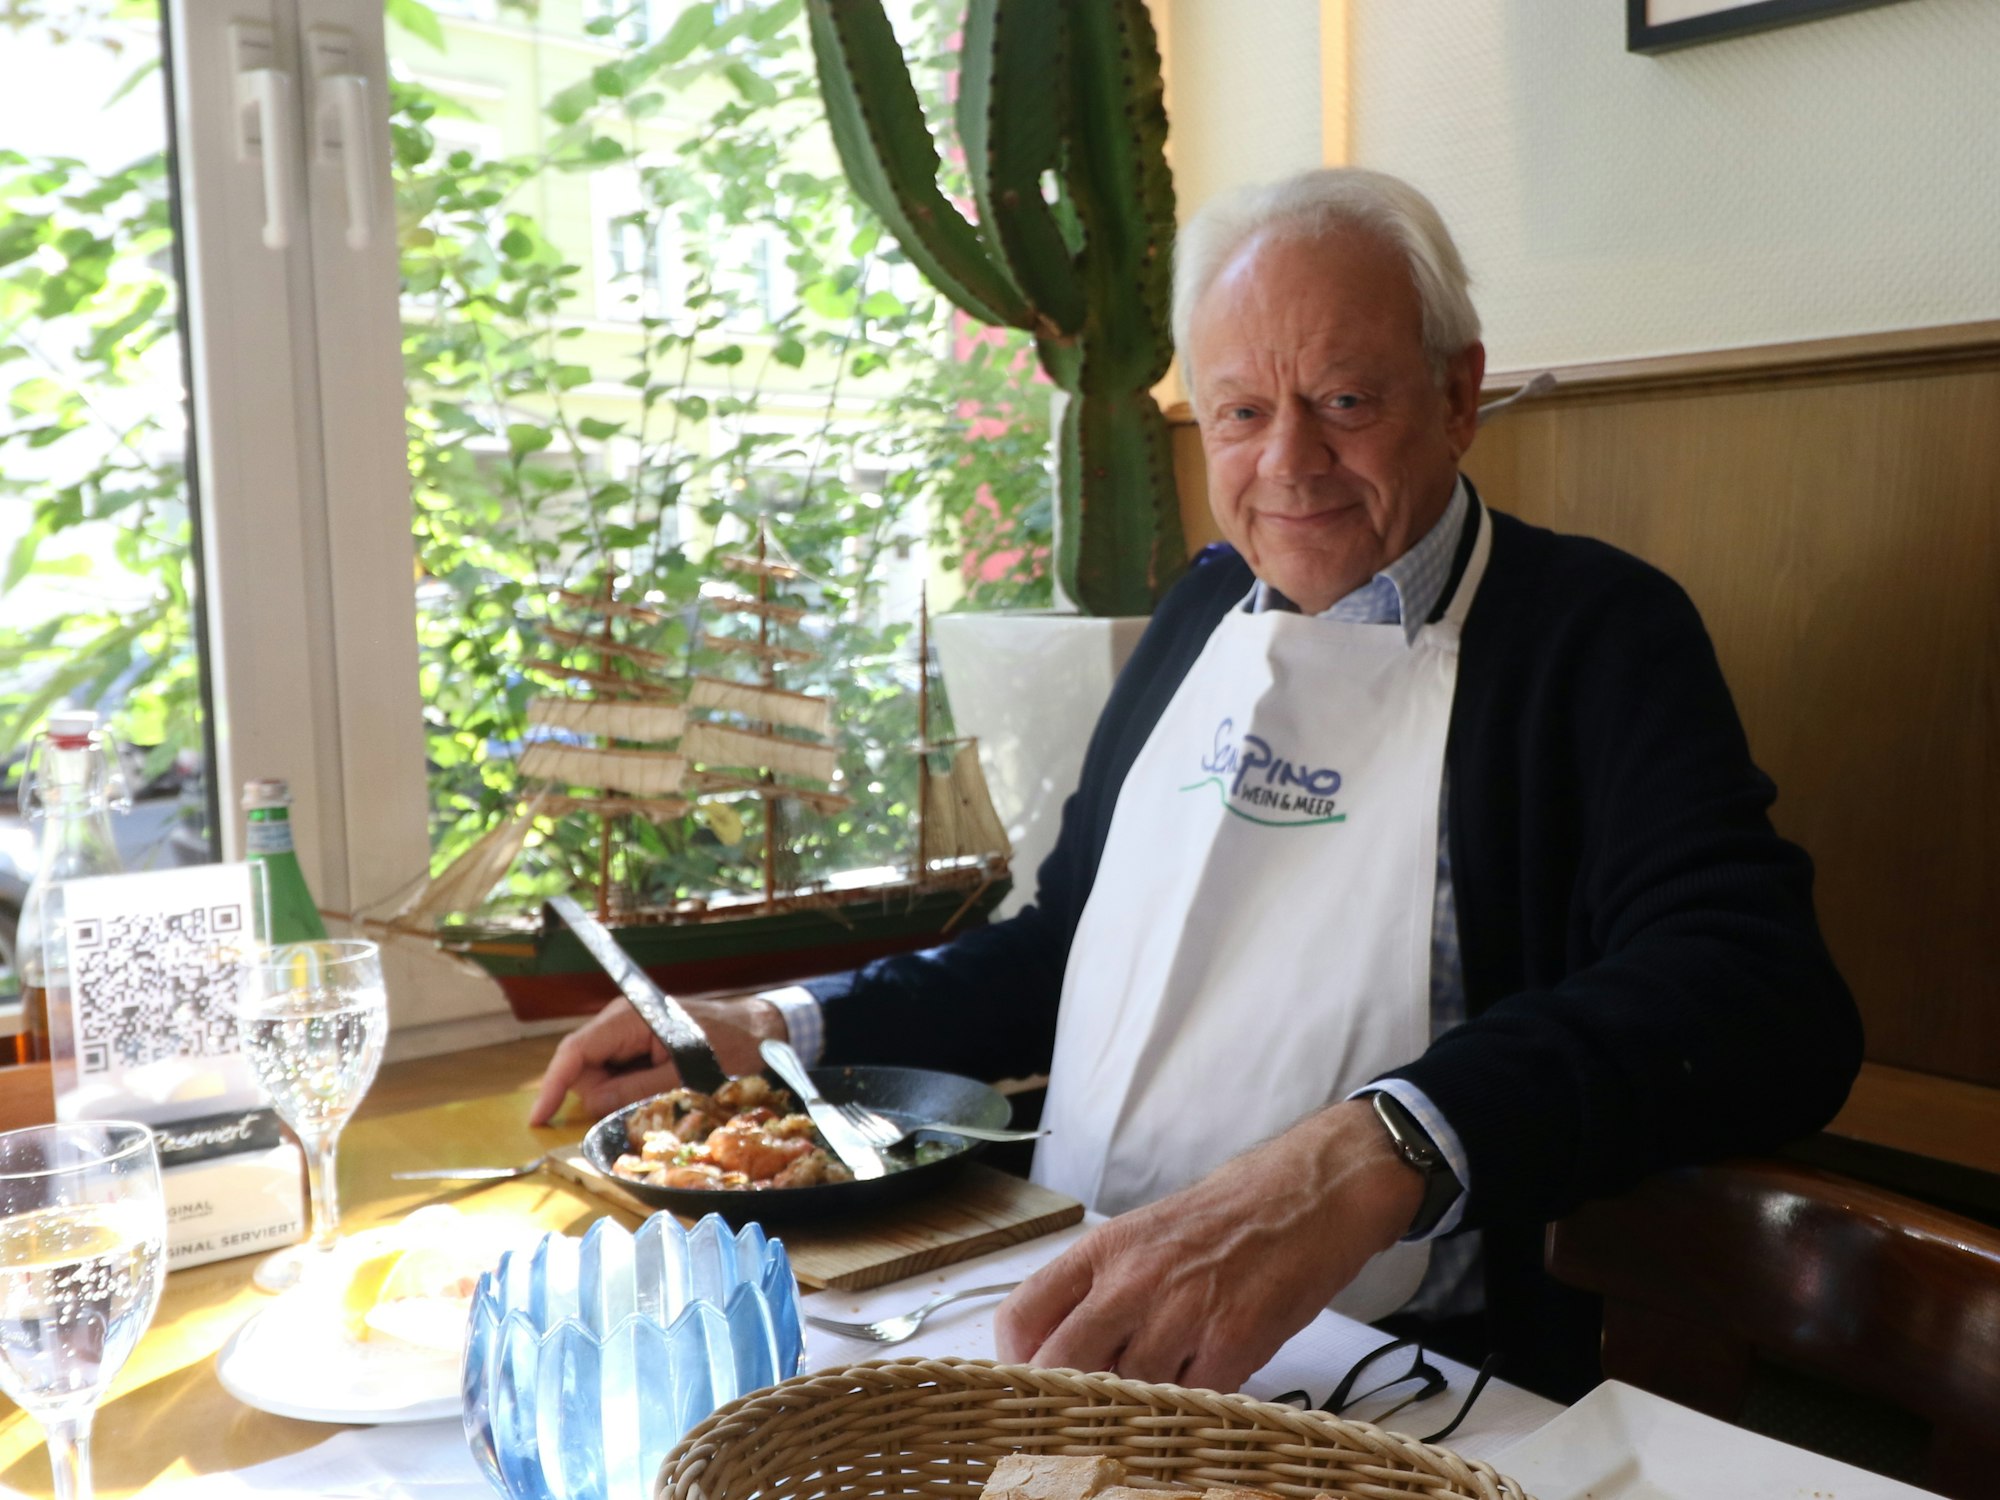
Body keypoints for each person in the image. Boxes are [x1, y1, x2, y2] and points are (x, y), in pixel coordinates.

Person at [530, 167, 1862, 1399]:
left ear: (1458, 395)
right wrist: (788, 1027)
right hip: (1070, 1295)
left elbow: (1762, 995)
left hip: (1401, 1370)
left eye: (1346, 402)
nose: (1288, 463)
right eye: (1240, 412)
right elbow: (1065, 946)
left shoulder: (1594, 633)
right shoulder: (1200, 614)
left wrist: (1372, 1152)